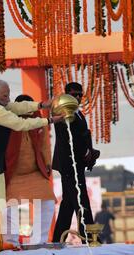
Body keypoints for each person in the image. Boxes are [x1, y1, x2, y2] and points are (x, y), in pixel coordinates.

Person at [0, 79, 63, 254]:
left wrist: (42, 104)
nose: (8, 99)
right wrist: (49, 120)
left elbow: (15, 107)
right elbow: (20, 123)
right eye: (5, 96)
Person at [5, 94, 56, 246]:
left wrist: (47, 164)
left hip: (35, 173)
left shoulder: (38, 119)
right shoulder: (7, 119)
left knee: (47, 202)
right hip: (12, 174)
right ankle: (11, 243)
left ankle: (38, 242)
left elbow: (45, 144)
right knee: (8, 207)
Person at [52, 82, 100, 243]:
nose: (78, 97)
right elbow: (69, 138)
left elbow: (82, 134)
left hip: (76, 163)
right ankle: (90, 237)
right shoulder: (62, 111)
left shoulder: (78, 113)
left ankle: (58, 239)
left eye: (80, 95)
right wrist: (85, 151)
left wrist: (89, 151)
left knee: (68, 203)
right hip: (69, 163)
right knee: (81, 199)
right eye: (74, 94)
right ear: (66, 94)